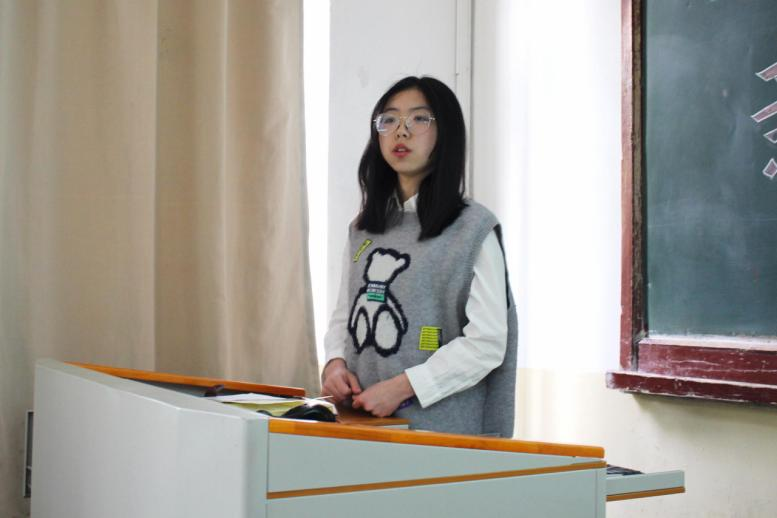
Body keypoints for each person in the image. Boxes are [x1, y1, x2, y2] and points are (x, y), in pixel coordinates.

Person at [321, 76, 518, 437]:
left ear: (446, 135)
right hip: (363, 427)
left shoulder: (473, 229)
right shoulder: (363, 228)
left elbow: (487, 343)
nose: (401, 131)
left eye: (419, 119)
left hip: (442, 437)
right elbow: (345, 314)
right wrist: (334, 363)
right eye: (389, 119)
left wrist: (402, 387)